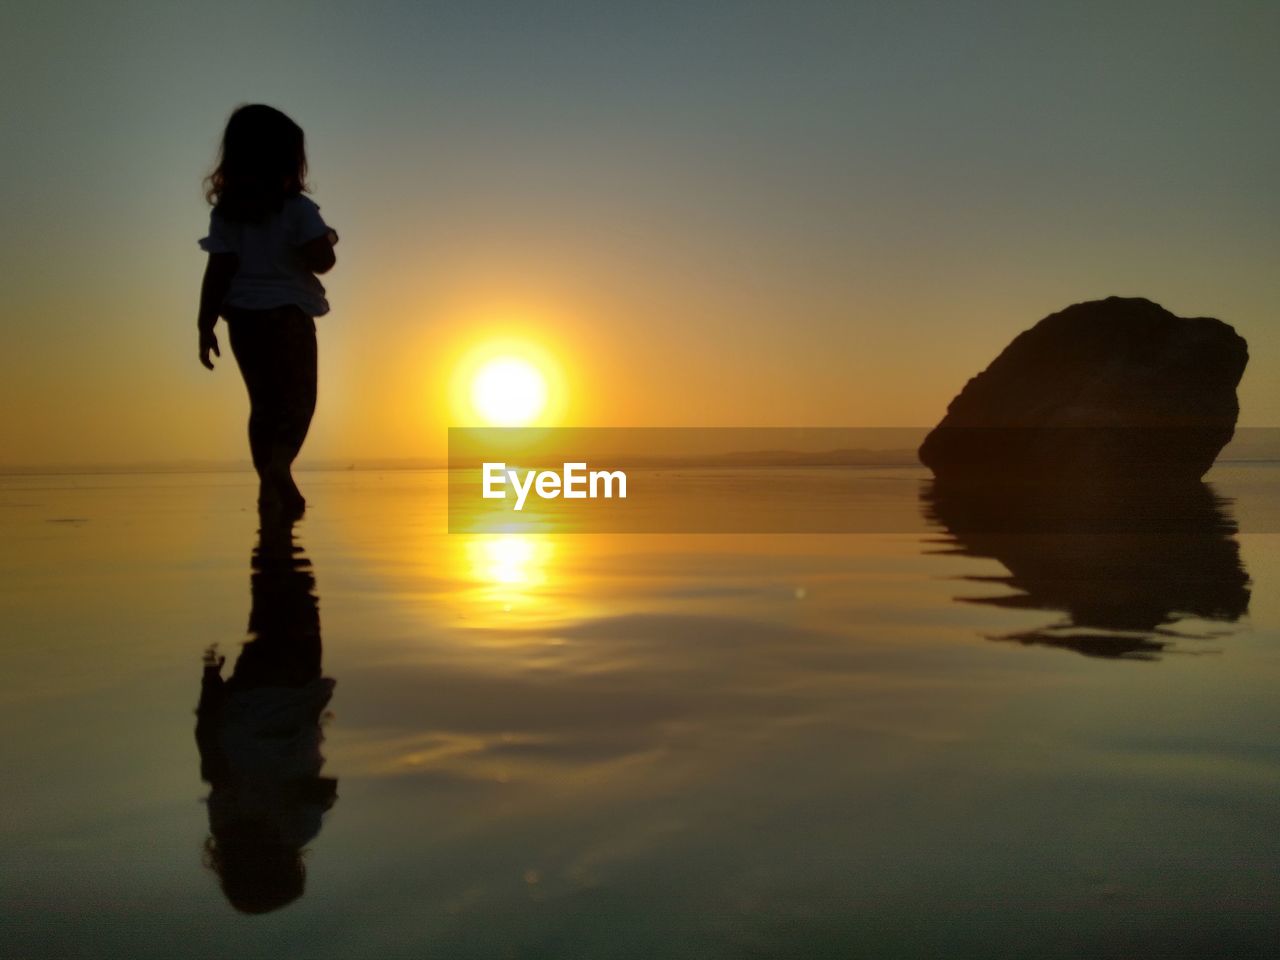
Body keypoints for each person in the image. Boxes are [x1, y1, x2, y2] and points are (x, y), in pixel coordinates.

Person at [196, 104, 338, 517]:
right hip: (289, 317)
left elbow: (218, 269)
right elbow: (322, 261)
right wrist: (325, 239)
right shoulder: (297, 210)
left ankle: (267, 488)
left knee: (262, 404)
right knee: (299, 401)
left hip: (242, 319)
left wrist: (205, 325)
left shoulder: (227, 215)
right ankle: (279, 466)